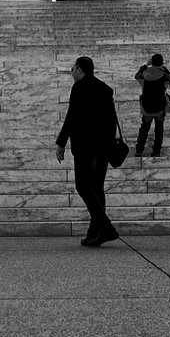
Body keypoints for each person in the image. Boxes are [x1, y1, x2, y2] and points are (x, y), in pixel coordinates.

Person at [55, 56, 122, 247]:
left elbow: (72, 116)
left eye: (73, 69)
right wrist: (109, 144)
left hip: (85, 146)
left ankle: (106, 228)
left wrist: (61, 143)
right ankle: (95, 232)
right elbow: (111, 119)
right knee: (96, 187)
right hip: (103, 146)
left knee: (83, 186)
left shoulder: (80, 87)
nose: (71, 72)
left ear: (80, 70)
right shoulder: (104, 88)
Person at [133, 54, 170, 158]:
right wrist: (163, 68)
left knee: (144, 128)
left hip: (147, 106)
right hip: (160, 106)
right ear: (161, 62)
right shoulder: (163, 74)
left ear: (152, 62)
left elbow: (137, 75)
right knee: (159, 129)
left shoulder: (144, 74)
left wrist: (145, 65)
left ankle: (139, 150)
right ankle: (156, 151)